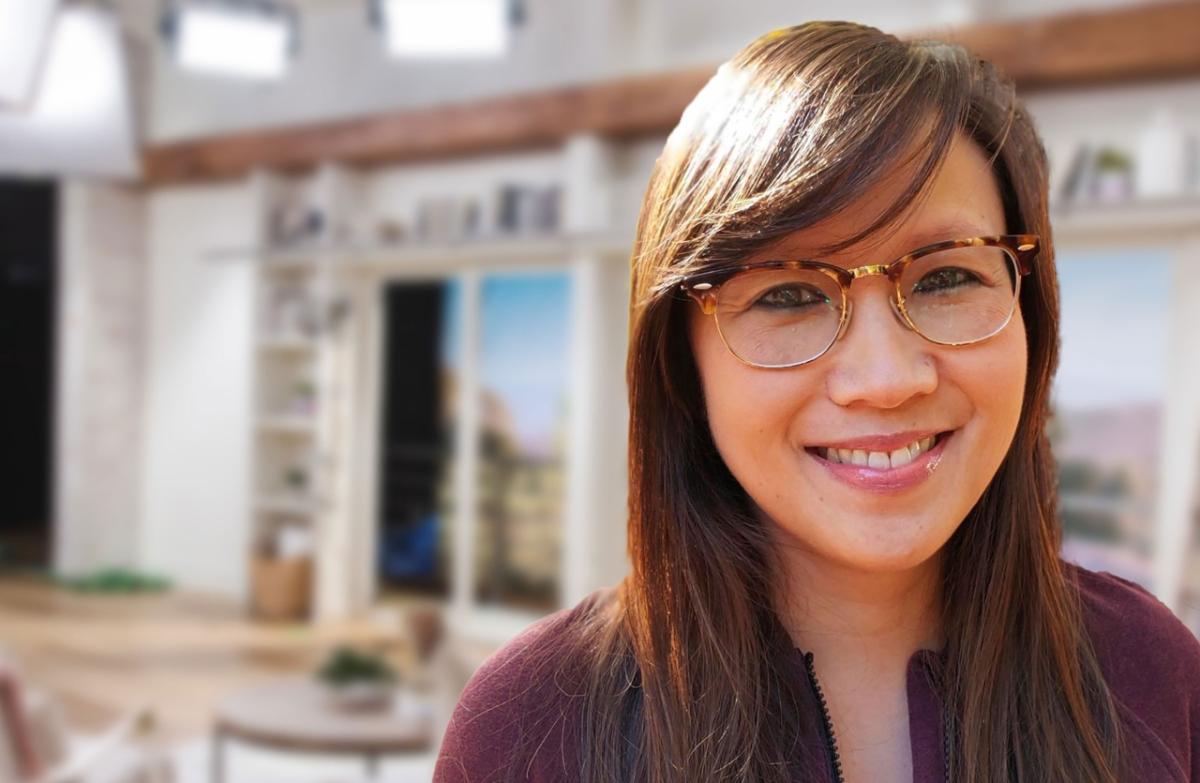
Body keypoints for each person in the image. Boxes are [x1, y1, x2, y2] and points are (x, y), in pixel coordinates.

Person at [432, 20, 1200, 783]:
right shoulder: (528, 729)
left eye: (945, 278)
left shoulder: (1153, 673)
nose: (886, 377)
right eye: (789, 294)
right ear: (681, 361)